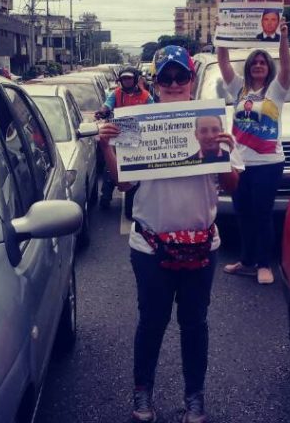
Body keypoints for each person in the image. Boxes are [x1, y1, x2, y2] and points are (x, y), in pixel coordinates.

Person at [99, 45, 243, 423]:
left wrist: (222, 154)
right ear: (156, 82)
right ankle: (142, 392)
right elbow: (123, 184)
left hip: (201, 246)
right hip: (150, 247)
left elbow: (232, 185)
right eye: (167, 77)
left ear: (191, 79)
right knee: (152, 323)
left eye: (181, 76)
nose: (175, 83)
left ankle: (194, 397)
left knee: (194, 325)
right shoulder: (136, 122)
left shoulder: (212, 122)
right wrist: (106, 146)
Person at [217, 19, 290, 285]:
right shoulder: (239, 88)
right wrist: (221, 34)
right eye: (254, 62)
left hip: (268, 163)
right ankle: (246, 261)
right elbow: (223, 63)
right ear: (248, 67)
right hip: (239, 163)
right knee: (243, 214)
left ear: (268, 67)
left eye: (263, 62)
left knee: (262, 214)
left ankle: (264, 264)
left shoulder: (276, 90)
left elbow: (286, 66)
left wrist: (284, 37)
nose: (258, 65)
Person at [97, 67, 154, 210]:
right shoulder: (115, 93)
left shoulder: (146, 96)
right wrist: (102, 112)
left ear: (135, 79)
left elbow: (154, 112)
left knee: (135, 171)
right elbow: (107, 105)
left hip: (138, 138)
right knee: (110, 167)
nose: (126, 81)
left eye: (129, 78)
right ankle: (106, 195)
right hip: (118, 136)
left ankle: (132, 203)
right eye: (124, 79)